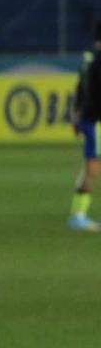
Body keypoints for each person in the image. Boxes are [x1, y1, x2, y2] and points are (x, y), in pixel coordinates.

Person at [69, 22, 101, 231]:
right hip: (96, 122)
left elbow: (82, 90)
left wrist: (77, 115)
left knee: (91, 167)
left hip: (91, 119)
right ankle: (78, 216)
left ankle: (78, 214)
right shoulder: (96, 63)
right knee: (93, 168)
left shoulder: (90, 62)